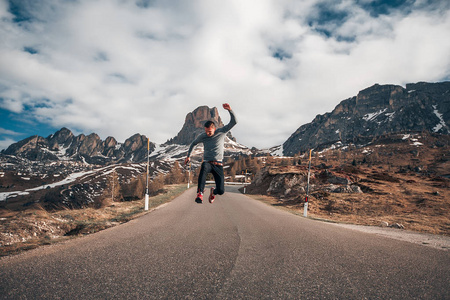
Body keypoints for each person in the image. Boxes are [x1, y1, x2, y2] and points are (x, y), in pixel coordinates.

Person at [184, 103, 237, 204]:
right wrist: (188, 156)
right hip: (208, 162)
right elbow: (193, 143)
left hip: (218, 164)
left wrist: (230, 110)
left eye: (210, 132)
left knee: (221, 191)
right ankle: (200, 193)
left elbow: (234, 122)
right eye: (206, 131)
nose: (208, 133)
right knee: (203, 168)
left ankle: (213, 192)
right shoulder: (203, 136)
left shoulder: (221, 131)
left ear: (214, 129)